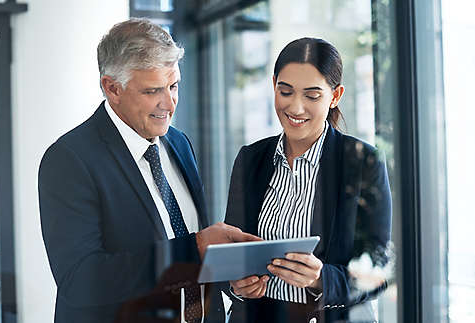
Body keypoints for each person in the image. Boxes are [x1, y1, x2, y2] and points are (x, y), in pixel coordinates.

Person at [38, 18, 260, 323]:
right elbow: (81, 281)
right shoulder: (69, 160)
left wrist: (233, 281)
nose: (169, 103)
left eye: (174, 85)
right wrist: (193, 249)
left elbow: (189, 252)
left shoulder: (179, 143)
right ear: (112, 88)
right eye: (152, 91)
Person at [224, 38, 392, 322]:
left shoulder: (362, 162)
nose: (296, 108)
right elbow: (231, 252)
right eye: (285, 92)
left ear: (335, 96)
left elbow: (378, 267)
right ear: (274, 84)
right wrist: (236, 285)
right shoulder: (251, 159)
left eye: (312, 96)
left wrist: (322, 278)